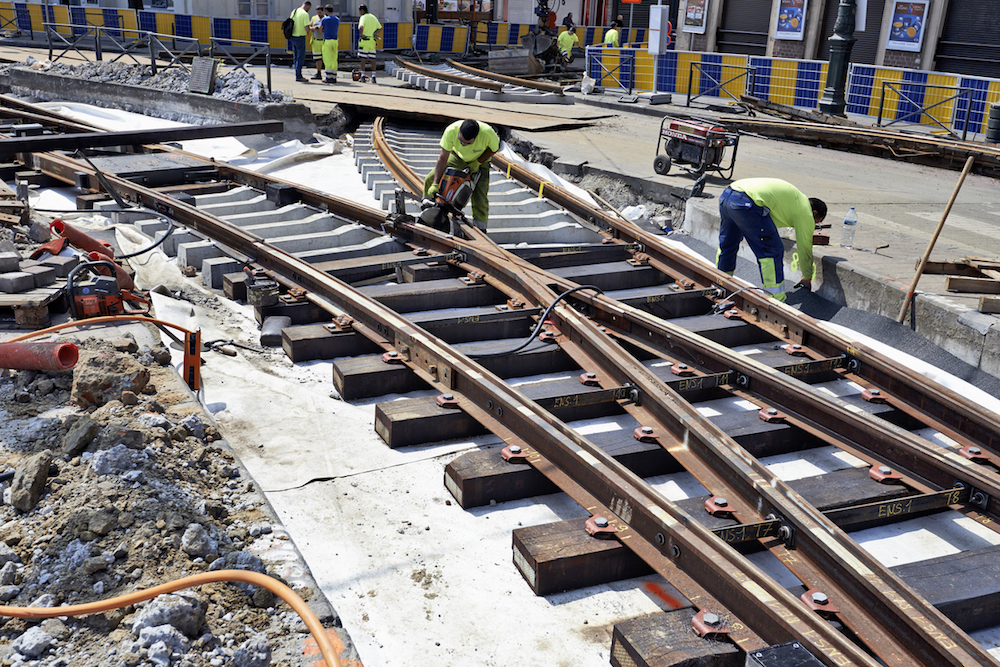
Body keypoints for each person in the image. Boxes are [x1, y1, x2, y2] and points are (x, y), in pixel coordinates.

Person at [715, 178, 826, 302]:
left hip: (728, 195)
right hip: (747, 203)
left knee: (728, 243)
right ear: (814, 213)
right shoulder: (806, 213)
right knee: (772, 251)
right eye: (817, 222)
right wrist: (807, 277)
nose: (813, 225)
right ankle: (775, 299)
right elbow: (804, 248)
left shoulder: (795, 199)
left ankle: (721, 282)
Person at [423, 119, 500, 230]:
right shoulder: (451, 130)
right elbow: (443, 158)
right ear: (459, 131)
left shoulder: (488, 133)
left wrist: (478, 162)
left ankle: (481, 229)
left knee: (480, 195)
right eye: (461, 141)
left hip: (480, 159)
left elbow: (495, 147)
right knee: (430, 178)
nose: (463, 145)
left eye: (467, 143)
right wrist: (435, 183)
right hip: (458, 156)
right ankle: (427, 206)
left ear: (476, 137)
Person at [357, 4, 382, 83]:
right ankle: (374, 76)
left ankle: (363, 76)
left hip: (365, 41)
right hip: (372, 41)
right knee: (372, 59)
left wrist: (361, 34)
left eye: (359, 10)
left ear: (362, 10)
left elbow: (361, 27)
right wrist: (374, 33)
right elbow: (380, 28)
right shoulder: (373, 17)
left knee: (363, 59)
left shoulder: (363, 17)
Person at [289, 1, 312, 82]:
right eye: (309, 8)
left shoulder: (294, 11)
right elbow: (306, 28)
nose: (308, 10)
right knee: (300, 57)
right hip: (300, 37)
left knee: (295, 57)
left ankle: (297, 73)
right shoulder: (305, 14)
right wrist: (310, 30)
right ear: (307, 6)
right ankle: (299, 76)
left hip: (293, 37)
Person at [320, 5, 341, 83]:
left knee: (327, 59)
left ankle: (328, 77)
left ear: (326, 11)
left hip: (327, 40)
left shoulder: (324, 19)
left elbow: (320, 29)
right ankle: (334, 76)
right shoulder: (337, 19)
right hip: (335, 41)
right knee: (334, 59)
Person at [308, 5, 325, 80]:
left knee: (326, 58)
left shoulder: (325, 18)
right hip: (315, 40)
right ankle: (318, 73)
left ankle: (328, 74)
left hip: (324, 41)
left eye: (320, 12)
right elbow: (309, 28)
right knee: (317, 58)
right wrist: (314, 28)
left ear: (323, 11)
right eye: (317, 12)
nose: (319, 14)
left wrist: (321, 29)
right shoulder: (314, 18)